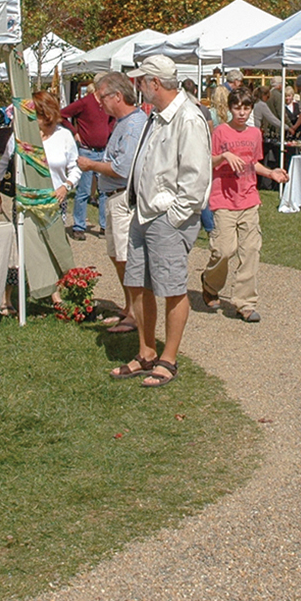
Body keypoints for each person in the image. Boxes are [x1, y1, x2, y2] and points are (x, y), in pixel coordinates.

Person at [109, 55, 210, 389]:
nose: (138, 86)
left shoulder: (188, 118)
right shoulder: (158, 117)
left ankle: (169, 358)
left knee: (171, 287)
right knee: (139, 284)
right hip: (144, 212)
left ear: (154, 83)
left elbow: (195, 178)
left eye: (141, 81)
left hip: (166, 217)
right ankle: (146, 351)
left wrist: (175, 216)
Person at [200, 86, 288, 322]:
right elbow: (207, 162)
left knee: (250, 251)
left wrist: (271, 174)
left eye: (246, 108)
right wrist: (224, 156)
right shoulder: (220, 132)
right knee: (224, 250)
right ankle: (210, 283)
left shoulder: (255, 134)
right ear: (230, 109)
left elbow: (253, 163)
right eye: (237, 108)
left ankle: (245, 303)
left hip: (249, 199)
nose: (241, 113)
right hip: (224, 200)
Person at [79, 72, 146, 334]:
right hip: (113, 197)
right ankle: (129, 308)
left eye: (102, 97)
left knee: (126, 258)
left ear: (117, 96)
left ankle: (136, 315)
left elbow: (123, 167)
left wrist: (91, 165)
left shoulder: (132, 125)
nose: (99, 103)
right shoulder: (123, 122)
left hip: (122, 196)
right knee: (117, 256)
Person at [0, 89, 81, 219]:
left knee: (54, 240)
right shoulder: (19, 136)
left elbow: (75, 168)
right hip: (24, 203)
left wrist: (65, 187)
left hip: (54, 203)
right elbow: (4, 164)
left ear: (46, 113)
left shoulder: (64, 136)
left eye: (33, 113)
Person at [61, 79, 116, 241]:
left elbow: (113, 118)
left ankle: (104, 226)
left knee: (104, 191)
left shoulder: (107, 104)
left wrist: (108, 130)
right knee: (84, 191)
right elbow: (63, 114)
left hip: (103, 151)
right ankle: (79, 226)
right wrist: (74, 132)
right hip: (86, 150)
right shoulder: (85, 102)